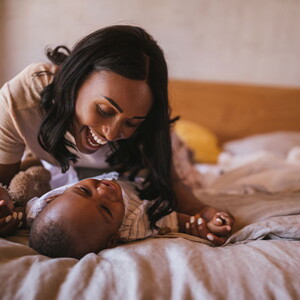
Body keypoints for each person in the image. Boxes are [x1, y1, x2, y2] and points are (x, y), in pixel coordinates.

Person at [0, 25, 234, 244]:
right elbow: (4, 184)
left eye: (132, 122)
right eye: (104, 110)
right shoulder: (22, 99)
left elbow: (174, 186)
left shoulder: (149, 128)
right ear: (74, 80)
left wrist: (201, 213)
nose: (111, 134)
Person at [18, 172, 231, 259]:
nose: (102, 190)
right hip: (140, 180)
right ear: (114, 238)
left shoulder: (38, 209)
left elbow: (20, 209)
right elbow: (169, 220)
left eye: (84, 191)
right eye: (106, 209)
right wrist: (203, 224)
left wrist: (12, 214)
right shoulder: (135, 222)